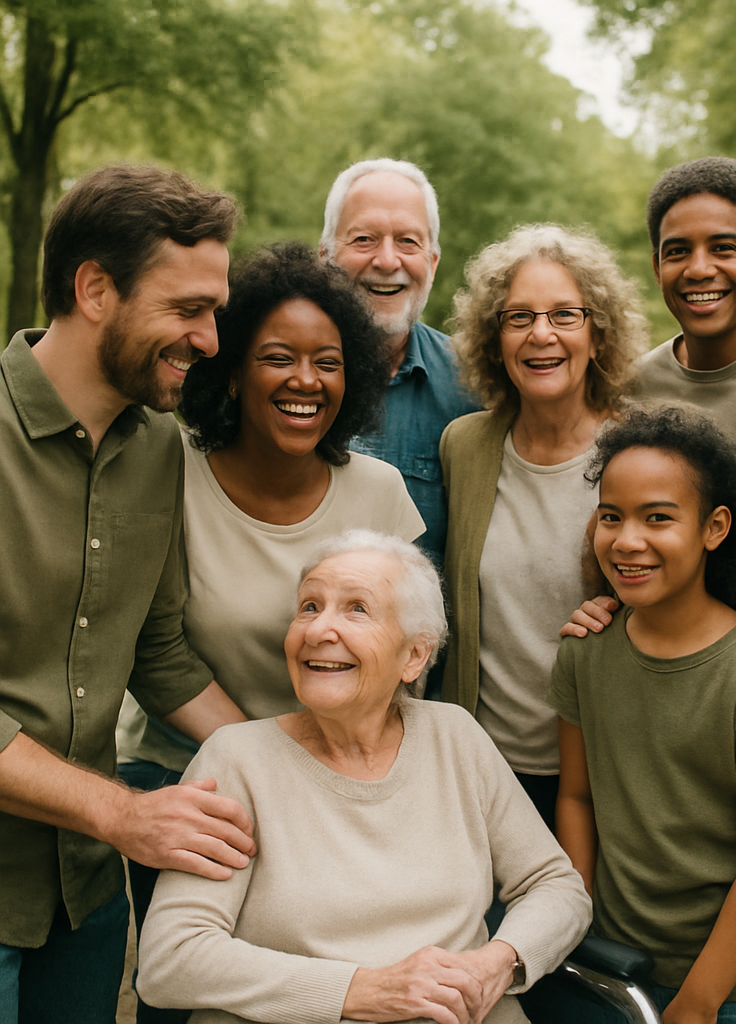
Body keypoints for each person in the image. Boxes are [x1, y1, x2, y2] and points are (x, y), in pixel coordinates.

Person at [116, 241, 424, 1021]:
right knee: (199, 990)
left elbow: (406, 652)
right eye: (278, 358)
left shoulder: (380, 491)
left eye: (328, 362)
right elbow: (158, 655)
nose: (305, 381)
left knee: (337, 990)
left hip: (344, 793)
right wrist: (274, 771)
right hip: (191, 784)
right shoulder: (170, 473)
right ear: (230, 369)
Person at [136, 530, 591, 1024]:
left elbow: (557, 887)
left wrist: (497, 965)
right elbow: (171, 959)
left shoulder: (455, 737)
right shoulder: (237, 759)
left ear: (414, 656)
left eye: (356, 609)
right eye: (309, 606)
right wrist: (362, 990)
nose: (317, 630)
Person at [0, 164, 257, 1023]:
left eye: (213, 311)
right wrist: (125, 814)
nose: (212, 339)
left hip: (86, 896)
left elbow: (162, 657)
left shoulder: (159, 447)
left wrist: (294, 769)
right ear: (95, 289)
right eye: (188, 310)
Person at [550, 406, 736, 1024]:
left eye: (658, 518)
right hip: (618, 966)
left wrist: (700, 1000)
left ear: (714, 528)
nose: (628, 540)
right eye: (611, 517)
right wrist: (577, 922)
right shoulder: (585, 651)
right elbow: (578, 797)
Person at [441, 223, 647, 829]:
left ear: (598, 331)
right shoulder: (466, 446)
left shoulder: (642, 450)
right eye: (518, 317)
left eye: (565, 315)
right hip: (483, 775)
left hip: (607, 771)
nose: (541, 335)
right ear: (493, 336)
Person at [320, 158, 477, 569]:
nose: (388, 261)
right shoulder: (275, 379)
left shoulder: (478, 385)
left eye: (408, 241)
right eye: (364, 239)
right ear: (325, 256)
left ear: (433, 262)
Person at [637, 157, 736, 448]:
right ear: (657, 269)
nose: (699, 270)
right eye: (678, 251)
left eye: (722, 249)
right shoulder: (635, 388)